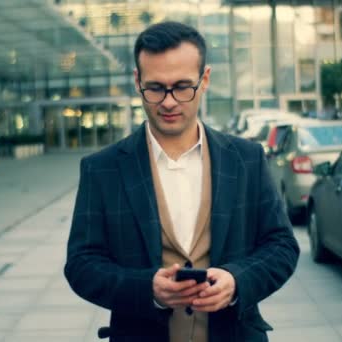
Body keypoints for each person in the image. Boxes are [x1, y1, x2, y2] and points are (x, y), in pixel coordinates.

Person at [64, 21, 299, 342]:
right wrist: (147, 289)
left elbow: (282, 246)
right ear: (137, 81)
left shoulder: (247, 159)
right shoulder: (101, 168)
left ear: (205, 80)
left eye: (182, 86)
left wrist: (237, 281)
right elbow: (81, 265)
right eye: (156, 87)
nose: (169, 101)